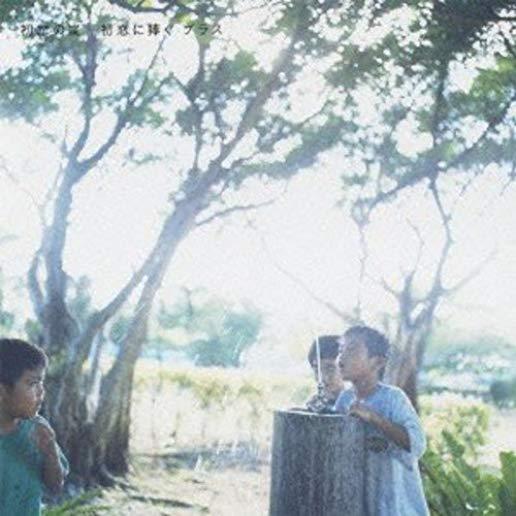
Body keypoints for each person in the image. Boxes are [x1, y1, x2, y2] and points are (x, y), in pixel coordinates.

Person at [334, 325, 429, 515]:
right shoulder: (344, 400)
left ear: (377, 362)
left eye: (352, 350)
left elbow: (417, 445)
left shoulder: (393, 398)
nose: (341, 357)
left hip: (396, 507)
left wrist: (375, 418)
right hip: (362, 505)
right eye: (341, 349)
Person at [0, 338, 69, 516]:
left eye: (41, 382)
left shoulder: (38, 430)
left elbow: (55, 486)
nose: (41, 392)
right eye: (32, 383)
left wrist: (50, 452)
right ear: (2, 391)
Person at [305, 335, 345, 412]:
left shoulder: (359, 405)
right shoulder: (314, 405)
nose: (323, 377)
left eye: (330, 369)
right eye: (316, 370)